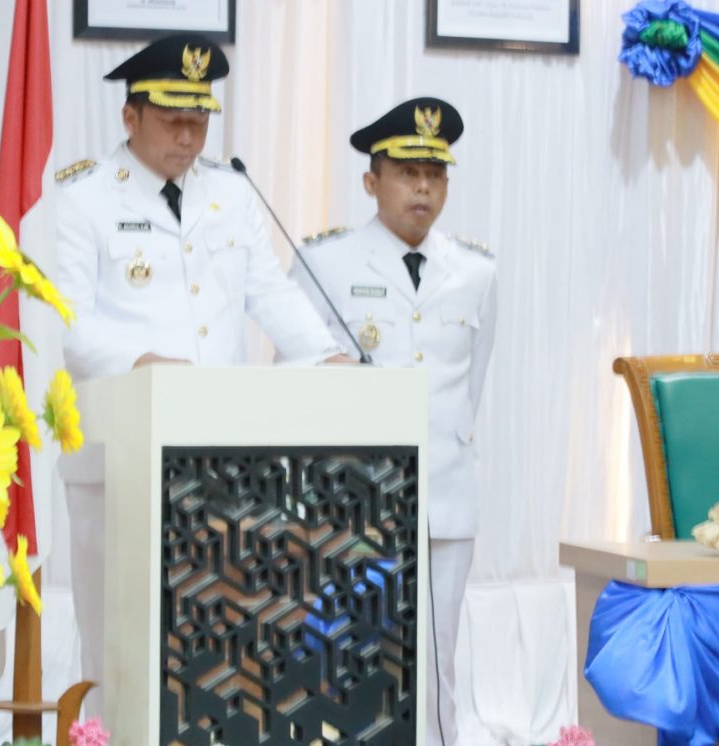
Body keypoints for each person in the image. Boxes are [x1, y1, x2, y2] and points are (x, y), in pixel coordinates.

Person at [55, 33, 348, 718]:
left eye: (200, 120)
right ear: (130, 117)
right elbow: (70, 325)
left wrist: (324, 354)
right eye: (172, 120)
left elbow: (270, 293)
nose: (188, 137)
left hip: (218, 457)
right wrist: (140, 364)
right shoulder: (85, 199)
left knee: (217, 639)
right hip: (120, 455)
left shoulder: (231, 193)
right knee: (119, 644)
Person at [289, 97, 497, 746]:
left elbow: (471, 385)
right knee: (348, 663)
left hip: (444, 495)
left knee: (435, 665)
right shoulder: (325, 262)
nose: (423, 189)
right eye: (408, 173)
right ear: (371, 181)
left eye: (435, 175)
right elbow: (292, 374)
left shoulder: (476, 271)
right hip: (352, 501)